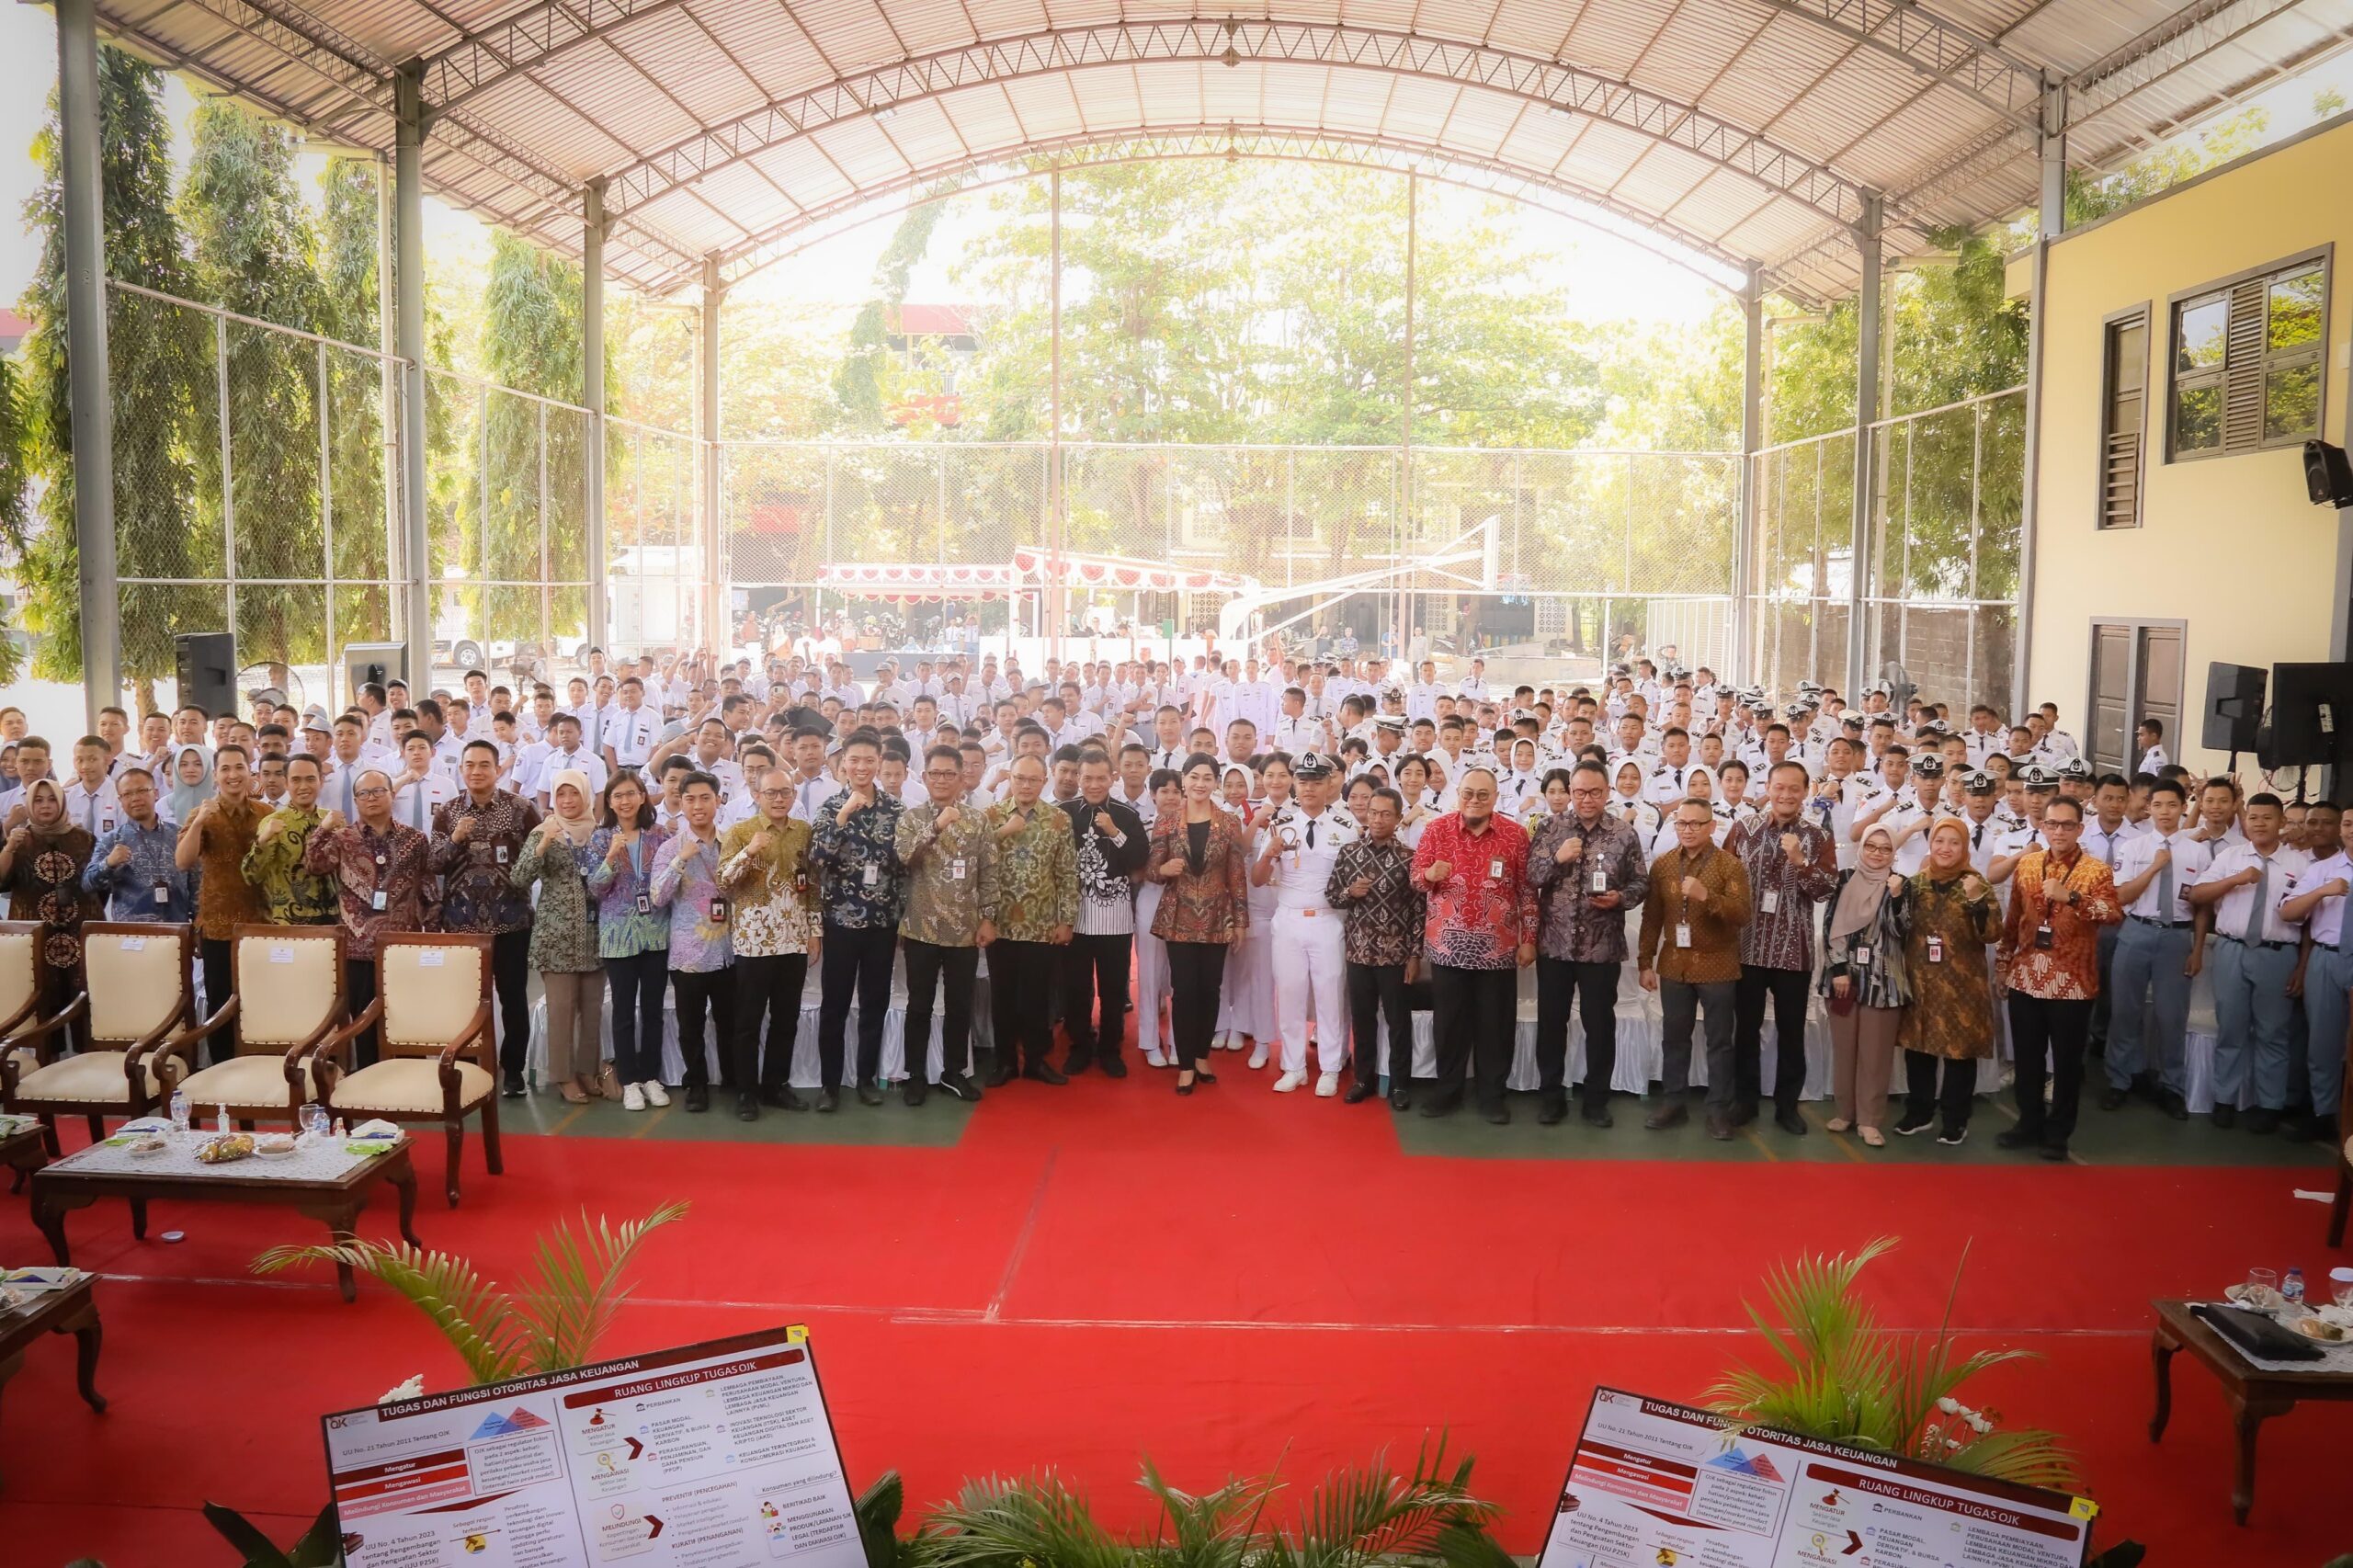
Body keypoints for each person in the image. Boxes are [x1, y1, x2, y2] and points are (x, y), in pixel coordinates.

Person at [1995, 795, 2121, 1159]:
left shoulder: (2096, 871)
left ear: (2080, 829)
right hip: (2026, 977)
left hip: (2073, 982)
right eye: (2053, 824)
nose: (2059, 831)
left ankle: (2058, 1133)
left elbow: (2112, 913)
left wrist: (2073, 897)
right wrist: (2004, 965)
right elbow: (2013, 920)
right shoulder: (2028, 865)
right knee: (2028, 1057)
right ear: (2043, 826)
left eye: (2068, 825)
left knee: (2067, 1063)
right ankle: (2028, 1123)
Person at [1410, 767, 1537, 1124]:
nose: (1475, 800)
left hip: (1498, 951)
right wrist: (1427, 876)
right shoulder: (1437, 830)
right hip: (1447, 948)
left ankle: (1491, 1096)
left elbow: (1528, 892)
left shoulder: (1514, 835)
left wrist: (1529, 940)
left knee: (1494, 1027)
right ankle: (1447, 1091)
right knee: (1449, 1026)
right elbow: (1415, 879)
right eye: (1468, 793)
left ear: (1495, 797)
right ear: (1458, 795)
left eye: (1483, 794)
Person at [1526, 760, 1649, 1127]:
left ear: (1608, 792)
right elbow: (1531, 875)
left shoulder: (1624, 833)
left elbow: (1641, 884)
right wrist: (1556, 857)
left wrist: (1620, 899)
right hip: (1556, 945)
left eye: (1595, 792)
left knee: (1600, 1025)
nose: (1586, 799)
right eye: (1579, 792)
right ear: (1570, 792)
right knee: (1552, 1023)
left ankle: (1597, 1101)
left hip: (1602, 946)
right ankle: (1551, 1097)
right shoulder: (1551, 828)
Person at [1724, 760, 1839, 1135]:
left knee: (1792, 1031)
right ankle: (1744, 1100)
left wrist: (1800, 862)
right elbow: (1724, 879)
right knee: (1746, 1029)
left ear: (1806, 792)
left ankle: (1787, 1105)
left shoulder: (1818, 837)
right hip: (1748, 946)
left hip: (1795, 948)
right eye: (1779, 788)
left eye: (1794, 789)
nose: (1786, 795)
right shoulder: (1743, 829)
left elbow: (1825, 889)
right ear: (1768, 788)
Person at [304, 769, 439, 1069]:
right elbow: (313, 864)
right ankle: (368, 1084)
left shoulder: (415, 839)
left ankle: (406, 1079)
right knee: (363, 1024)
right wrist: (323, 829)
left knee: (405, 1020)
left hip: (401, 948)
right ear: (355, 800)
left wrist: (429, 932)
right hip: (358, 949)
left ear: (392, 795)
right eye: (364, 793)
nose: (372, 798)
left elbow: (428, 887)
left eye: (379, 791)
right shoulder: (343, 839)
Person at [2189, 791, 2307, 1131]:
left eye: (2267, 818)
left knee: (2274, 1033)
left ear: (2281, 822)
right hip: (2232, 950)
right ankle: (2224, 1099)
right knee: (2231, 1028)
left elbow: (2312, 921)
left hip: (2277, 955)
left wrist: (2300, 966)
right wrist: (2235, 880)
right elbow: (2197, 895)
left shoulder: (2300, 864)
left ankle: (2270, 1104)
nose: (2259, 823)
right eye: (2253, 817)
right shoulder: (2231, 856)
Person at [431, 740, 543, 1097]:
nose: (476, 771)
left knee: (512, 998)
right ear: (460, 769)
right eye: (470, 765)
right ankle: (467, 1067)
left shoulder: (521, 809)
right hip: (461, 924)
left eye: (484, 765)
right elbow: (433, 863)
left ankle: (513, 1071)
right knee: (464, 1001)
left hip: (510, 922)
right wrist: (455, 839)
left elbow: (539, 856)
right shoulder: (447, 813)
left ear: (498, 769)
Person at [1637, 798, 1754, 1139]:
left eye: (1695, 824)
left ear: (1711, 826)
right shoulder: (1663, 865)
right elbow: (1651, 918)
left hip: (1718, 963)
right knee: (1674, 1039)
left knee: (1719, 1042)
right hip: (1674, 964)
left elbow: (1743, 914)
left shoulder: (1730, 866)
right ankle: (1674, 1101)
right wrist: (1645, 962)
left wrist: (1708, 897)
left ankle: (1718, 1109)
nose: (1687, 830)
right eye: (1682, 823)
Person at [1143, 754, 1253, 1094]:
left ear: (1216, 782)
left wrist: (1240, 922)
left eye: (1207, 777)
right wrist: (1162, 870)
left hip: (1218, 918)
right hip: (1178, 918)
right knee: (1185, 990)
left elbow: (1236, 875)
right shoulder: (1166, 821)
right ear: (1184, 780)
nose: (1200, 783)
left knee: (1210, 990)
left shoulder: (1229, 823)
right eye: (1194, 776)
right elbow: (1150, 869)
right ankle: (1186, 1062)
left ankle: (1203, 1054)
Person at [808, 731, 905, 1108]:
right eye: (855, 760)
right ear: (843, 763)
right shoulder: (831, 807)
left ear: (879, 763)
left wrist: (900, 919)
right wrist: (845, 814)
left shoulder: (895, 811)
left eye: (869, 760)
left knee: (874, 1003)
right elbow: (818, 859)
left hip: (882, 925)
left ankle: (865, 1078)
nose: (862, 767)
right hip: (840, 924)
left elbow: (902, 871)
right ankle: (830, 1085)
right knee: (834, 1005)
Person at [895, 744, 996, 1105]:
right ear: (923, 778)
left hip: (965, 930)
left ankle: (954, 1072)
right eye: (934, 773)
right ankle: (916, 1075)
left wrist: (988, 918)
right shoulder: (911, 818)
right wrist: (936, 826)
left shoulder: (978, 821)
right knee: (919, 1005)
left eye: (948, 774)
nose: (941, 780)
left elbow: (988, 873)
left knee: (959, 1005)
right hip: (921, 928)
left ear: (960, 778)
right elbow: (905, 857)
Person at [2101, 778, 2207, 1121]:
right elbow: (2121, 897)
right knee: (2125, 1011)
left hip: (2177, 937)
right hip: (2136, 931)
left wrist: (2198, 948)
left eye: (2172, 805)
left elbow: (2203, 906)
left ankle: (2172, 1086)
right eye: (2158, 805)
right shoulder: (2134, 847)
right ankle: (2120, 1079)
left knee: (2171, 1015)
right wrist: (2155, 867)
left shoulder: (2197, 851)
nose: (2164, 812)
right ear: (2148, 808)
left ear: (2183, 808)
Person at [720, 772, 821, 1119]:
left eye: (785, 792)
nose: (779, 799)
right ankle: (746, 1092)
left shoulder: (804, 833)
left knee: (785, 1020)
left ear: (794, 795)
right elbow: (724, 882)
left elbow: (813, 886)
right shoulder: (741, 832)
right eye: (771, 793)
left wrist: (814, 932)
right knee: (747, 1021)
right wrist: (749, 852)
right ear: (757, 794)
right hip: (753, 944)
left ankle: (775, 1085)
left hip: (793, 942)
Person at [1255, 752, 1356, 1096]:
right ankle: (1293, 1065)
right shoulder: (1279, 825)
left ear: (1329, 784)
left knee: (1330, 995)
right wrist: (1270, 852)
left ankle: (1330, 1066)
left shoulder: (1346, 829)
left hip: (1328, 921)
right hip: (1289, 920)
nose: (1309, 787)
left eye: (1316, 781)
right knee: (1291, 993)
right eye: (1303, 781)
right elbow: (1256, 879)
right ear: (1295, 784)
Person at [1897, 818, 2002, 1144]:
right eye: (1940, 841)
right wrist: (1895, 898)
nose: (1945, 848)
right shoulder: (1916, 884)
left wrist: (1976, 902)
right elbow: (1899, 928)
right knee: (1919, 1049)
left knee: (1959, 1054)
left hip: (1961, 987)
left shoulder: (1976, 883)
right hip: (1921, 981)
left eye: (1954, 842)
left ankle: (1956, 1119)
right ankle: (1920, 1112)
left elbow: (1993, 933)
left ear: (1964, 848)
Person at [510, 770, 608, 1105]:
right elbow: (519, 878)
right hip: (556, 935)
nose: (567, 801)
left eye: (574, 794)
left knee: (592, 1008)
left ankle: (586, 1070)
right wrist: (545, 843)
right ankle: (563, 1076)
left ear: (585, 796)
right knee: (562, 1009)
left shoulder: (599, 833)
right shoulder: (542, 831)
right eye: (561, 794)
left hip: (593, 934)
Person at [982, 754, 1078, 1087]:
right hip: (1000, 923)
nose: (1025, 785)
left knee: (1037, 998)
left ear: (1044, 781)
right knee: (1003, 996)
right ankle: (1005, 1061)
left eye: (1033, 780)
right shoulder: (991, 816)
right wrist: (984, 918)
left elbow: (1067, 873)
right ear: (1010, 778)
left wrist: (1067, 919)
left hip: (1042, 925)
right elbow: (979, 865)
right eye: (1020, 778)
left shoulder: (1058, 820)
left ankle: (1037, 1060)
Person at [1324, 785, 1423, 1108]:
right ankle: (1363, 1079)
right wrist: (1350, 893)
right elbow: (1332, 895)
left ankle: (1399, 1085)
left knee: (1398, 1021)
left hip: (1395, 954)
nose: (1378, 819)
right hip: (1358, 950)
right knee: (1362, 1019)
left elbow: (1419, 910)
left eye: (1385, 814)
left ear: (1397, 818)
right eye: (1373, 813)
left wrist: (1414, 954)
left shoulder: (1410, 858)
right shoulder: (1350, 852)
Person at [1820, 824, 1912, 1146]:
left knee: (1875, 1055)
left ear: (1893, 853)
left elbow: (1904, 931)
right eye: (1871, 846)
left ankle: (1870, 1120)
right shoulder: (1844, 879)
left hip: (1882, 983)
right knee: (1845, 1050)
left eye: (1885, 849)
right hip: (1843, 980)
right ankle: (1845, 1113)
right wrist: (1839, 969)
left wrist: (1898, 897)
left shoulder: (1900, 884)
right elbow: (1830, 925)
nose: (1876, 853)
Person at [1060, 751, 1149, 1078]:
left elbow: (1141, 859)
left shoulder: (1126, 814)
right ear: (1077, 779)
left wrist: (1114, 831)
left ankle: (1111, 1049)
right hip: (1074, 916)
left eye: (1101, 778)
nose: (1094, 784)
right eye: (1087, 778)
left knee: (1113, 988)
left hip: (1115, 916)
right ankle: (1080, 1046)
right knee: (1076, 987)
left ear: (1113, 778)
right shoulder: (1063, 813)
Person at [585, 774, 671, 1110]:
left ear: (642, 797)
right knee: (622, 1010)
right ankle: (629, 1080)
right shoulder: (600, 838)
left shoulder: (660, 835)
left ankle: (651, 1076)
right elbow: (594, 889)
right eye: (618, 795)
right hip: (618, 936)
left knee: (653, 1010)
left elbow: (667, 882)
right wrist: (610, 857)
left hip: (654, 933)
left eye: (631, 794)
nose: (625, 801)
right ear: (608, 801)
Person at [650, 771, 733, 1114]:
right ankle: (696, 1084)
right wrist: (680, 860)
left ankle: (734, 1079)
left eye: (704, 798)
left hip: (730, 952)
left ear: (718, 800)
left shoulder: (733, 844)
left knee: (731, 1021)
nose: (698, 806)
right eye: (690, 799)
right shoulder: (670, 847)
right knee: (691, 1026)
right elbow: (657, 897)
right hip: (688, 954)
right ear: (680, 803)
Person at [175, 744, 266, 1044]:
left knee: (260, 1003)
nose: (232, 775)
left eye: (239, 767)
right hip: (217, 927)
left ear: (249, 772)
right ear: (215, 776)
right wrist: (199, 822)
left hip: (260, 925)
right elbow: (182, 861)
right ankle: (219, 1072)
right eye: (225, 769)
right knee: (220, 1004)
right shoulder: (201, 813)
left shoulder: (266, 813)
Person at [1, 778, 99, 1024]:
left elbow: (97, 884)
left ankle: (85, 1056)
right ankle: (47, 1059)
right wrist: (9, 847)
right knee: (41, 999)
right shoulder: (20, 840)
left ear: (63, 802)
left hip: (78, 930)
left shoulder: (84, 839)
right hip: (35, 932)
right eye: (38, 800)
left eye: (52, 799)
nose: (46, 805)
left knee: (86, 998)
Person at [2284, 803, 2353, 1143]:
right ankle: (2324, 1113)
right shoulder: (2322, 870)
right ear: (2343, 829)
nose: (2352, 829)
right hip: (2327, 959)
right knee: (2322, 1042)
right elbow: (2289, 912)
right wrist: (2322, 892)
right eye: (2350, 824)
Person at [82, 767, 194, 924]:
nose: (135, 798)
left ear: (155, 793)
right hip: (131, 934)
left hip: (177, 929)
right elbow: (87, 884)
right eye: (127, 794)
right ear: (120, 800)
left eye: (142, 790)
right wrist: (108, 863)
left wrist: (197, 928)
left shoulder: (180, 834)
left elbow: (196, 883)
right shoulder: (112, 839)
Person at [242, 754, 339, 925]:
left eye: (310, 779)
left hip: (332, 921)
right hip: (288, 923)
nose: (303, 786)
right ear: (286, 783)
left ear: (321, 781)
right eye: (296, 780)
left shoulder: (334, 821)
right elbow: (251, 876)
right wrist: (263, 841)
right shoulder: (273, 823)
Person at [1131, 769, 1184, 1068]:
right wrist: (1159, 871)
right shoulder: (1144, 827)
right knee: (1150, 975)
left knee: (1180, 979)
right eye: (1164, 791)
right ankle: (1150, 1041)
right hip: (1151, 899)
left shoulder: (1195, 826)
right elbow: (1136, 870)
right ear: (1153, 795)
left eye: (1176, 791)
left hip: (1186, 905)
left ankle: (1179, 1042)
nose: (1171, 797)